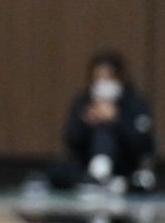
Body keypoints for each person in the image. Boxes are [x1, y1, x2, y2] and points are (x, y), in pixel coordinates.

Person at [48, 50, 158, 193]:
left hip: (124, 163)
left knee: (105, 131)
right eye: (98, 78)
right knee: (56, 169)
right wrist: (87, 123)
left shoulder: (134, 102)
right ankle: (103, 181)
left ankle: (101, 179)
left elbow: (144, 145)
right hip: (87, 163)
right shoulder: (83, 102)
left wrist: (117, 120)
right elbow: (71, 142)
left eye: (108, 78)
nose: (103, 83)